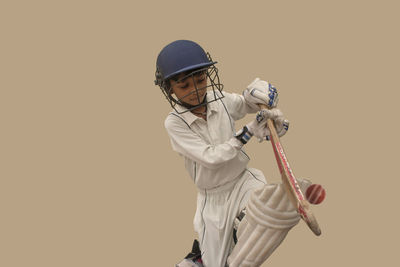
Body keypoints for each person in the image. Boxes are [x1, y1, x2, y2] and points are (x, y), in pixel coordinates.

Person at [154, 40, 311, 267]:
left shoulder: (219, 99)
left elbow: (246, 104)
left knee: (257, 224)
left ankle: (243, 227)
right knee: (216, 263)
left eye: (200, 80)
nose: (196, 90)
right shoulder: (174, 123)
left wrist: (258, 96)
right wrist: (248, 132)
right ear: (169, 88)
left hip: (244, 181)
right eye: (184, 85)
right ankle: (198, 259)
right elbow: (211, 157)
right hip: (213, 197)